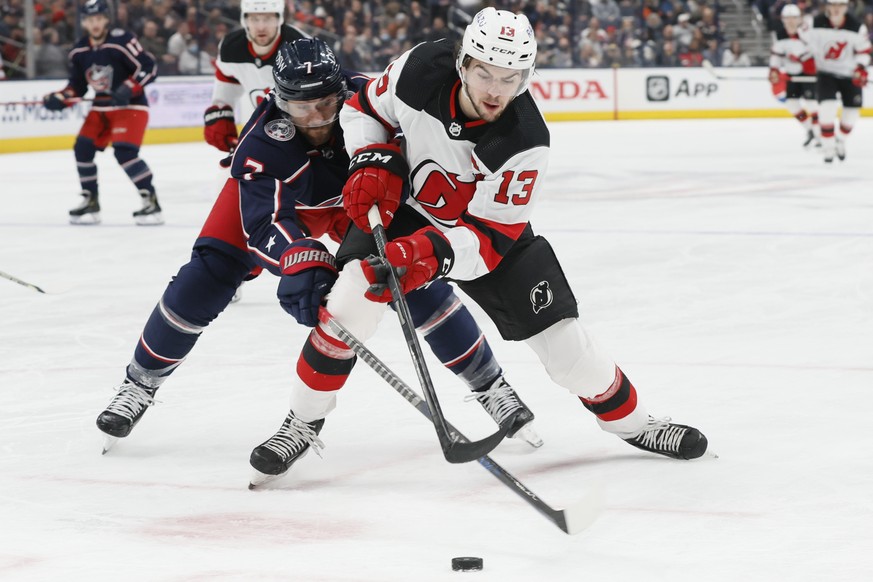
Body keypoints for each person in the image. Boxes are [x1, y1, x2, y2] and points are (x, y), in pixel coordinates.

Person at [250, 8, 709, 484]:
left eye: (510, 79)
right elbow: (365, 108)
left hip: (482, 236)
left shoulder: (525, 140)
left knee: (569, 352)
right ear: (462, 63)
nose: (494, 90)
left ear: (526, 78)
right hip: (405, 209)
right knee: (348, 303)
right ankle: (301, 423)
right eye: (484, 73)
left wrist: (429, 254)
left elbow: (489, 237)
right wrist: (371, 158)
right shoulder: (419, 70)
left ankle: (634, 426)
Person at [95, 38, 540, 460]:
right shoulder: (263, 143)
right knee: (207, 274)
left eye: (327, 103)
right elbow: (267, 222)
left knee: (407, 272)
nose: (317, 118)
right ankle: (141, 382)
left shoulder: (370, 98)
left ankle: (489, 384)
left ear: (341, 91)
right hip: (286, 206)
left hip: (357, 198)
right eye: (301, 107)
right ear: (278, 101)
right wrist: (299, 259)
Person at [42, 0, 162, 225]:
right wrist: (61, 98)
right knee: (82, 148)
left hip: (130, 107)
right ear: (84, 22)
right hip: (101, 107)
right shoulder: (79, 50)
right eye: (90, 19)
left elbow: (149, 67)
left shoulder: (122, 41)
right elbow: (76, 87)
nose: (95, 24)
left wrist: (129, 87)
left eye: (98, 19)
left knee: (124, 152)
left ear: (106, 19)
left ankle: (151, 201)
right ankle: (90, 200)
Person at [202, 0, 309, 157]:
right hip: (265, 137)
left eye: (268, 18)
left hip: (304, 139)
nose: (260, 27)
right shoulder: (230, 47)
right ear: (244, 20)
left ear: (279, 18)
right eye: (254, 19)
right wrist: (220, 112)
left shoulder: (301, 47)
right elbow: (226, 81)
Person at [805, 0, 870, 163]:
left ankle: (840, 140)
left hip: (849, 75)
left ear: (846, 7)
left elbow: (864, 51)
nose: (835, 9)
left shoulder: (857, 26)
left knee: (852, 114)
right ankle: (828, 148)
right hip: (826, 73)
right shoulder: (815, 23)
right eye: (832, 5)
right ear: (827, 6)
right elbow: (807, 46)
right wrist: (807, 59)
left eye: (839, 5)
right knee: (827, 108)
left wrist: (860, 67)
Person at [769, 4, 821, 148]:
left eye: (794, 18)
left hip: (808, 74)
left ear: (799, 18)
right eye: (787, 18)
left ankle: (819, 134)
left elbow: (816, 51)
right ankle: (810, 129)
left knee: (812, 104)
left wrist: (802, 59)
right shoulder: (778, 34)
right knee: (792, 104)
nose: (791, 21)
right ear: (783, 19)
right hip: (792, 75)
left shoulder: (806, 32)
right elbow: (776, 56)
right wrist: (774, 71)